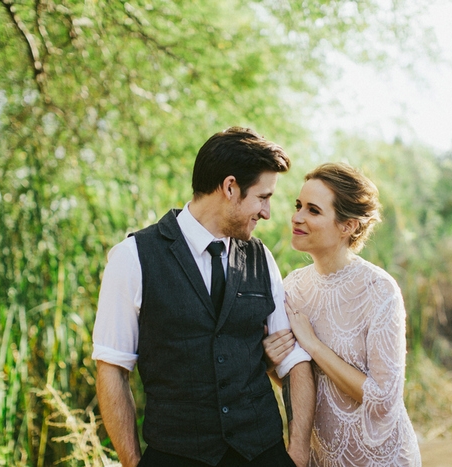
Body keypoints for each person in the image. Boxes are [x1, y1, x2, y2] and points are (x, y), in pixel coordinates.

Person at [92, 127, 315, 467]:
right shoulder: (132, 257)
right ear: (230, 188)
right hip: (176, 456)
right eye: (263, 197)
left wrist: (297, 453)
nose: (267, 212)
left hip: (262, 453)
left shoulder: (261, 257)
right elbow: (111, 368)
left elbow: (292, 360)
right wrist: (131, 462)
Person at [264, 162, 422, 467]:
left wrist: (313, 345)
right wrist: (271, 365)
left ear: (347, 226)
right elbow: (306, 386)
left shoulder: (379, 290)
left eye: (313, 210)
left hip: (380, 459)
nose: (297, 217)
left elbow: (383, 398)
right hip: (321, 458)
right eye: (298, 206)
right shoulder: (292, 288)